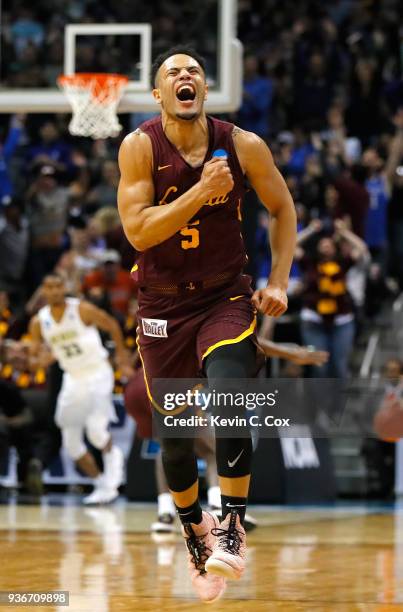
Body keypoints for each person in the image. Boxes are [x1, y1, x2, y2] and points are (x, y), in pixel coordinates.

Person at [117, 46, 296, 602]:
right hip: (162, 306)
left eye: (193, 69)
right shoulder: (139, 146)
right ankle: (194, 533)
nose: (185, 76)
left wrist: (279, 282)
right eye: (173, 72)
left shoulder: (243, 145)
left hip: (225, 296)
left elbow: (283, 209)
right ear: (158, 94)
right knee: (172, 441)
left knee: (229, 397)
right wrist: (200, 191)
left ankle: (232, 525)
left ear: (204, 88)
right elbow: (140, 233)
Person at [28, 274, 133, 505]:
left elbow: (112, 324)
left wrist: (123, 358)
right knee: (71, 441)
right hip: (72, 377)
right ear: (44, 291)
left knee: (96, 430)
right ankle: (101, 484)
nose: (54, 291)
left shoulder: (81, 309)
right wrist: (37, 361)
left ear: (64, 287)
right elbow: (36, 356)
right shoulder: (39, 322)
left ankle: (113, 466)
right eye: (49, 287)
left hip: (98, 372)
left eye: (58, 286)